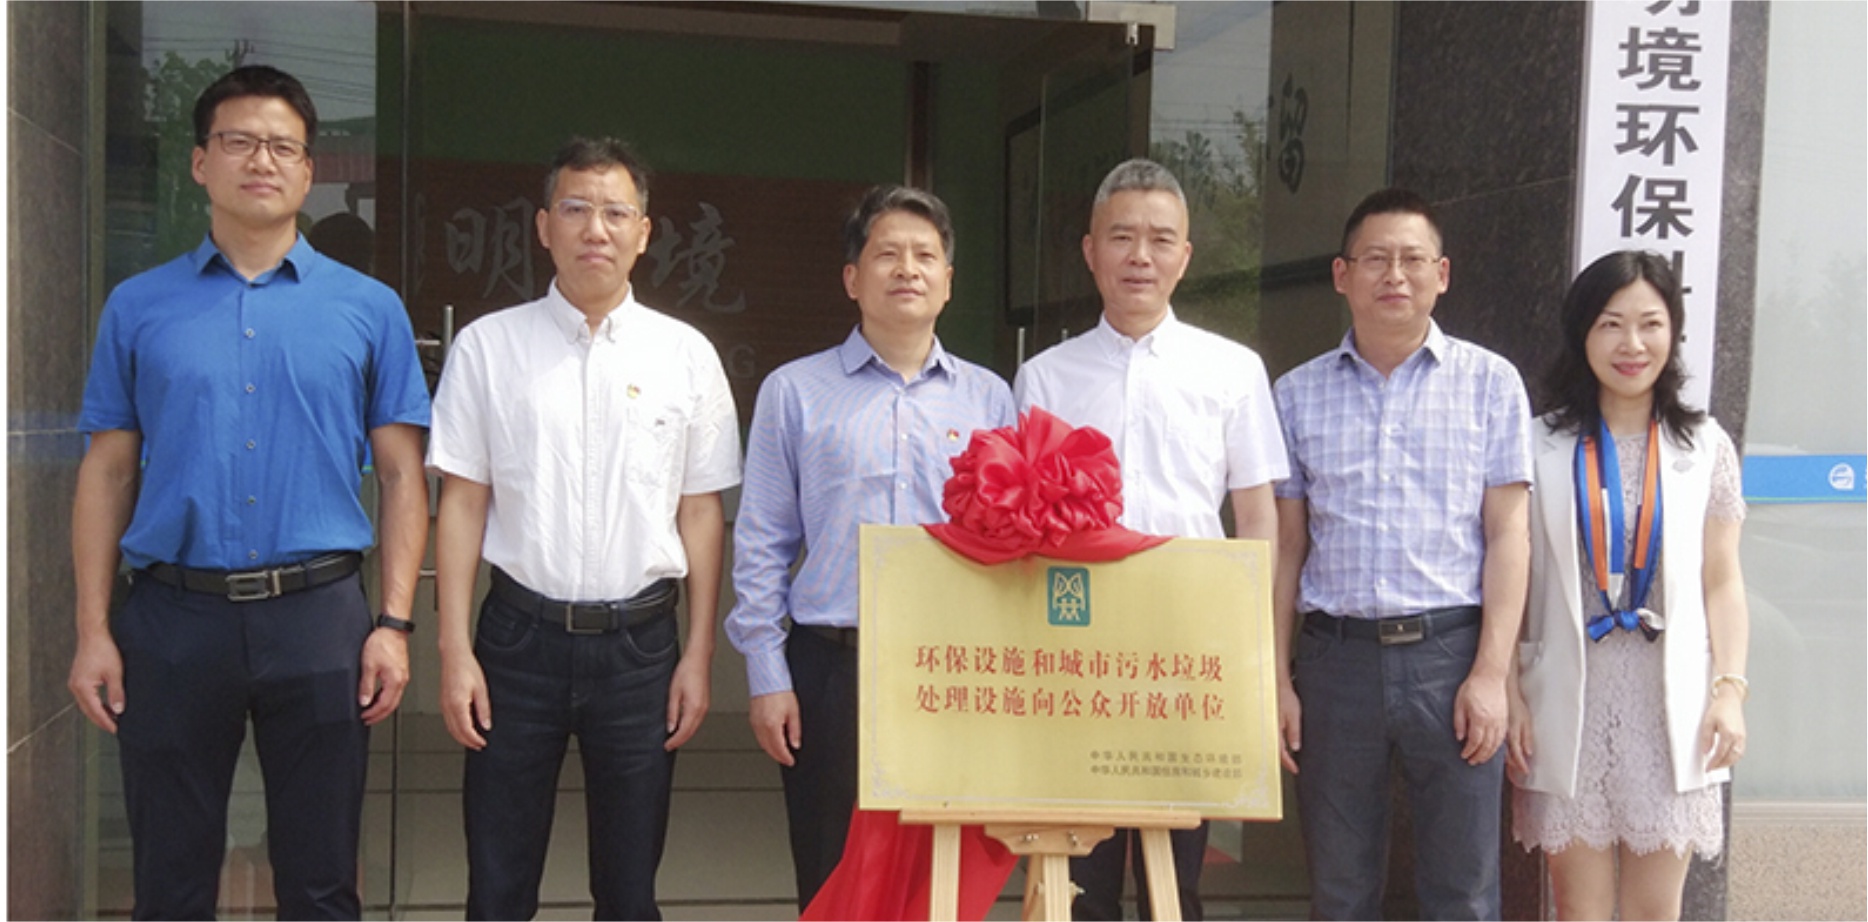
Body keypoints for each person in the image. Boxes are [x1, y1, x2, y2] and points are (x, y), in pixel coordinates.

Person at [66, 64, 431, 920]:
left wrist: (393, 624)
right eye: (238, 142)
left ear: (308, 171)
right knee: (170, 882)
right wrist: (92, 631)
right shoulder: (138, 306)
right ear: (201, 162)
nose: (261, 160)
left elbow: (402, 474)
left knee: (321, 879)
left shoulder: (369, 308)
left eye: (282, 147)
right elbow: (107, 471)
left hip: (320, 620)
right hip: (173, 620)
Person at [427, 136, 741, 920]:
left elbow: (701, 512)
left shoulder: (686, 355)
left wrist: (698, 654)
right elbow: (461, 502)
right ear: (543, 226)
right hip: (516, 643)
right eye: (575, 209)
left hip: (641, 651)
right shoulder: (488, 347)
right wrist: (455, 651)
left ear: (644, 231)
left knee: (629, 891)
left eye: (614, 213)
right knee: (498, 888)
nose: (594, 229)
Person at [725, 184, 1016, 910]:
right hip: (831, 668)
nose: (907, 269)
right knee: (832, 877)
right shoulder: (794, 391)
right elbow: (761, 542)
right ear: (853, 278)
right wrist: (767, 674)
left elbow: (1010, 545)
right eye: (887, 254)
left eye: (925, 255)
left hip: (952, 668)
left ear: (949, 281)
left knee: (938, 878)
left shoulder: (989, 399)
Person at [1013, 157, 1288, 921]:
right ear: (1090, 250)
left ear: (1185, 256)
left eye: (1161, 239)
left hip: (1188, 652)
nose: (1141, 256)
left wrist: (1253, 645)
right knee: (1084, 874)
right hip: (1078, 653)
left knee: (1178, 874)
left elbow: (1258, 516)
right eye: (1122, 237)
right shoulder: (1045, 377)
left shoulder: (1232, 371)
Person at [1271, 187, 1532, 920]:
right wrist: (1276, 676)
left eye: (1413, 259)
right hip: (1335, 662)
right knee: (1340, 889)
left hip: (1451, 656)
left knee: (1463, 892)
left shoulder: (1490, 383)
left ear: (1441, 274)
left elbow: (1509, 536)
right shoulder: (1295, 394)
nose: (1395, 275)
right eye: (1375, 259)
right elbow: (1286, 547)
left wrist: (1491, 674)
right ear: (1341, 274)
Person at [1505, 250, 1749, 921]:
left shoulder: (1705, 447)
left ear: (1674, 334)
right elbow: (1510, 576)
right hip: (1565, 701)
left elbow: (1723, 579)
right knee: (1577, 911)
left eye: (1650, 324)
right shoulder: (1537, 444)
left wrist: (1731, 690)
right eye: (1611, 324)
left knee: (1654, 912)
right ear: (1582, 332)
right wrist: (1508, 690)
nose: (1632, 344)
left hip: (1672, 709)